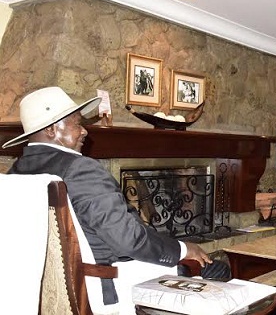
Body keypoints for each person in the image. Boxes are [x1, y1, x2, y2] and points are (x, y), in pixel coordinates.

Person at [3, 87, 219, 312]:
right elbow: (129, 240)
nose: (85, 132)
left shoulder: (15, 173)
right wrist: (183, 249)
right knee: (215, 269)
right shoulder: (81, 169)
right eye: (77, 124)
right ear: (50, 130)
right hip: (103, 283)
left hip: (43, 287)